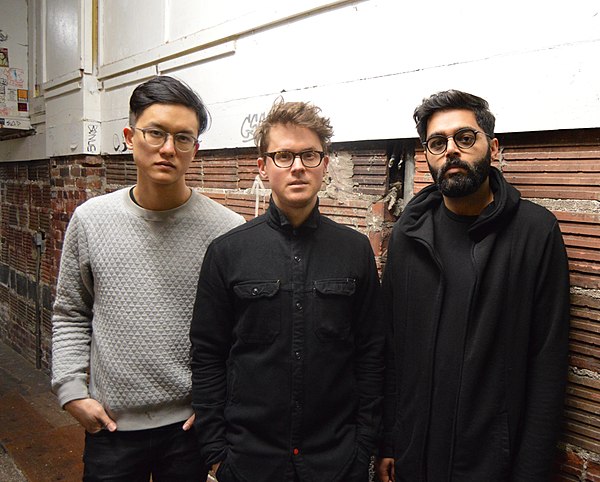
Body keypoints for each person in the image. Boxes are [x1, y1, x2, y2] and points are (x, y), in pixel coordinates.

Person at [51, 75, 245, 481]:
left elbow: (239, 331)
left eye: (183, 137)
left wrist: (216, 405)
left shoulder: (226, 230)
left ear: (196, 147)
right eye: (155, 133)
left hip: (191, 430)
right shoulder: (91, 220)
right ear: (129, 136)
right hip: (110, 427)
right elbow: (70, 311)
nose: (168, 149)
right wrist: (72, 392)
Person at [376, 90, 570, 482]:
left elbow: (548, 366)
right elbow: (390, 349)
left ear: (492, 147)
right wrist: (390, 443)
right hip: (415, 457)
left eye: (465, 138)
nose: (451, 151)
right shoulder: (408, 236)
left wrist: (530, 471)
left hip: (490, 463)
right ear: (426, 156)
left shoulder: (535, 233)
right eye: (437, 142)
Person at [190, 100, 385, 482]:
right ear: (262, 167)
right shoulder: (227, 252)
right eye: (283, 155)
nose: (297, 167)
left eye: (309, 155)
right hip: (250, 462)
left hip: (334, 461)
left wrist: (363, 445)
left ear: (324, 164)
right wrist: (215, 452)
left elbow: (372, 353)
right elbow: (208, 354)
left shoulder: (354, 250)